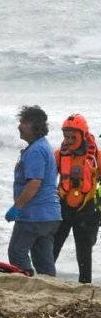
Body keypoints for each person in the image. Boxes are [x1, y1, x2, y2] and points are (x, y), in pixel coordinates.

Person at [6, 105, 61, 276]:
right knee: (44, 261)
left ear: (35, 126)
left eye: (24, 122)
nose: (19, 126)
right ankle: (50, 288)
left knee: (16, 253)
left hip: (34, 215)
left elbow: (34, 183)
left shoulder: (36, 150)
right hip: (50, 215)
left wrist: (17, 207)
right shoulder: (43, 146)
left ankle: (27, 282)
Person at [52, 114, 100, 283]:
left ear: (84, 135)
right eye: (66, 136)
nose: (69, 141)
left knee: (84, 255)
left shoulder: (96, 157)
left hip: (87, 212)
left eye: (73, 137)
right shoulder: (59, 155)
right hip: (63, 208)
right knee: (52, 248)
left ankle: (85, 287)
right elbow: (48, 181)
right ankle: (45, 279)